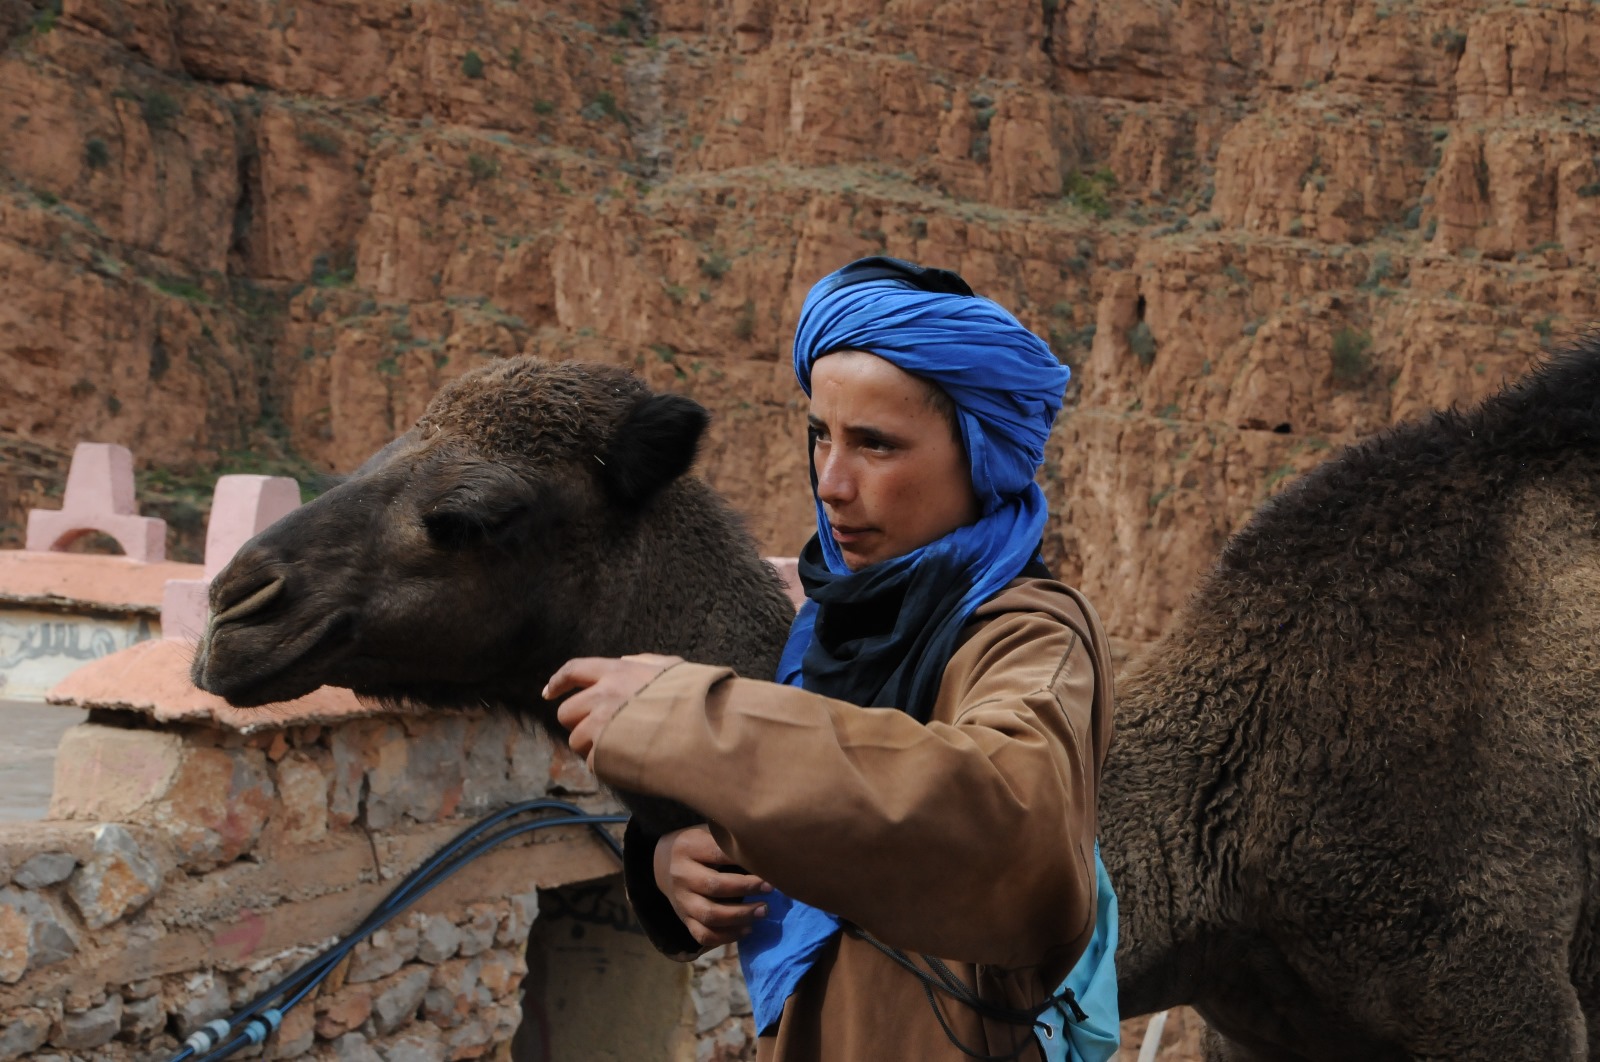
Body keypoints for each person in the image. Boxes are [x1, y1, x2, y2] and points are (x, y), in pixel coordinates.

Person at [548, 257, 1118, 1061]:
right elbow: (815, 795)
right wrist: (671, 861)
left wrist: (689, 717)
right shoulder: (830, 618)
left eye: (876, 445)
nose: (832, 482)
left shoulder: (1027, 634)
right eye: (821, 435)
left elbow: (1010, 825)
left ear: (983, 455)